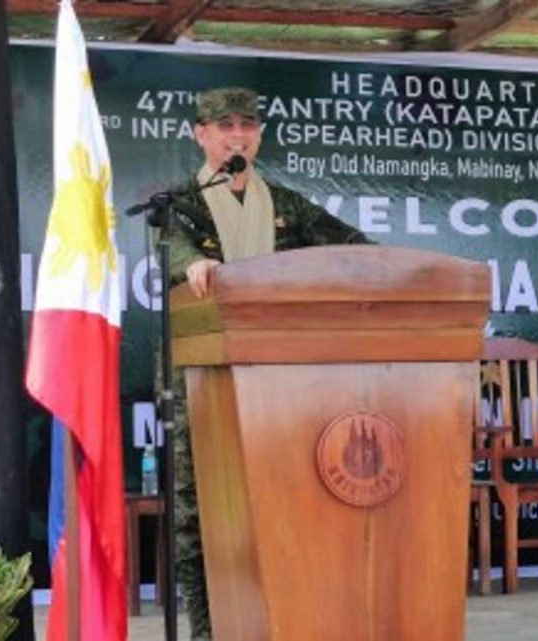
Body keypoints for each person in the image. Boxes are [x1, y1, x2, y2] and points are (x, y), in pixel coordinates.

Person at [160, 86, 369, 640]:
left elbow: (353, 245)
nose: (237, 135)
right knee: (197, 514)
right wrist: (195, 264)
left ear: (259, 135)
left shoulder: (288, 204)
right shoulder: (177, 203)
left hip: (280, 380)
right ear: (199, 134)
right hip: (201, 381)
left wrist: (384, 267)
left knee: (281, 501)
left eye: (246, 125)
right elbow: (175, 251)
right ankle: (209, 631)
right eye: (223, 125)